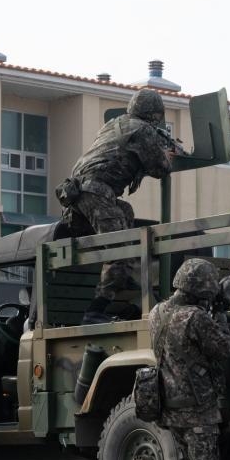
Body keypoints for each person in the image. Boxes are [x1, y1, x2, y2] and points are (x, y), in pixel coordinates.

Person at [54, 88, 178, 324]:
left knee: (125, 213)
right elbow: (160, 168)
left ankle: (125, 278)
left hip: (76, 194)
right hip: (95, 193)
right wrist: (167, 156)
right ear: (155, 114)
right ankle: (94, 311)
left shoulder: (114, 124)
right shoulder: (143, 130)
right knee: (120, 251)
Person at [145, 258, 230, 460]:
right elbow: (224, 348)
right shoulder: (195, 317)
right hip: (197, 404)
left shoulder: (157, 312)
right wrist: (220, 312)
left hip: (169, 402)